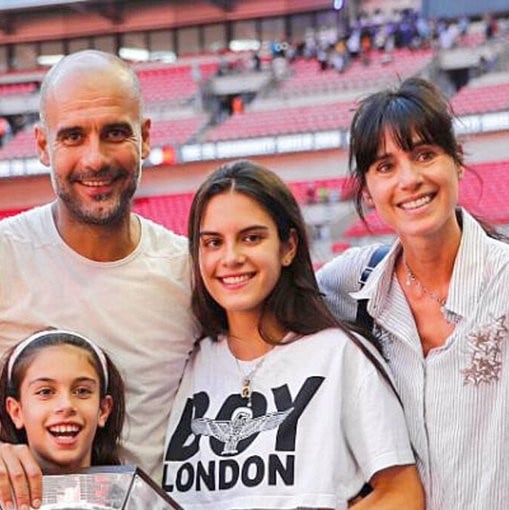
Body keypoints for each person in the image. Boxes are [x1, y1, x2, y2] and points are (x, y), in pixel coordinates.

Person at [317, 77, 509, 509]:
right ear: (368, 189)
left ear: (457, 160)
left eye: (424, 155)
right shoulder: (351, 283)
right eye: (385, 166)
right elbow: (273, 305)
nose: (409, 179)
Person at [0, 49, 197, 509]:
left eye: (115, 133)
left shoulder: (187, 269)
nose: (95, 158)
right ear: (41, 145)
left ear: (145, 136)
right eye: (72, 136)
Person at [163, 160, 423, 509]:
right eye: (212, 242)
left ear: (288, 247)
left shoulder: (339, 355)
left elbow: (402, 493)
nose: (231, 257)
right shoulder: (186, 359)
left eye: (251, 238)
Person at [0, 329, 125, 474]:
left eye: (82, 391)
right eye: (45, 392)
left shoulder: (133, 495)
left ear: (103, 410)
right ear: (16, 412)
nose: (66, 405)